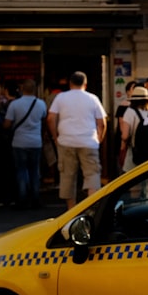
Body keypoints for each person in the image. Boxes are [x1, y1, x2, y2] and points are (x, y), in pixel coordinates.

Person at [47, 71, 107, 210]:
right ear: (85, 84)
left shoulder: (61, 98)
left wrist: (55, 137)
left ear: (70, 83)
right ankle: (91, 209)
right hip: (89, 141)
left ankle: (71, 209)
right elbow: (102, 122)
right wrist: (98, 139)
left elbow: (50, 118)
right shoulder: (92, 98)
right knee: (92, 174)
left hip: (66, 141)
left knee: (67, 175)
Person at [3, 79, 48, 210]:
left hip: (19, 142)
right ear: (35, 90)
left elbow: (7, 124)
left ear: (22, 89)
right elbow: (44, 120)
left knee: (21, 170)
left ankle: (22, 199)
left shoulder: (15, 105)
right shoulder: (41, 104)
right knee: (34, 170)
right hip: (36, 142)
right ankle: (35, 198)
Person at [118, 86, 148, 171]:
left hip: (135, 154)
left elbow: (125, 136)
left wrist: (122, 149)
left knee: (134, 181)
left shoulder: (130, 112)